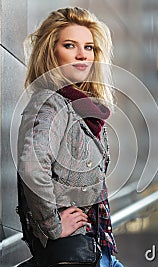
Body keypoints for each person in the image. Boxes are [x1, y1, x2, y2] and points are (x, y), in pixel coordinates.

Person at [17, 7, 123, 267]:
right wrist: (52, 225)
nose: (82, 55)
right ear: (51, 52)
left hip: (93, 247)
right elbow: (32, 166)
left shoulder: (81, 108)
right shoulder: (51, 103)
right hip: (72, 251)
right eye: (70, 45)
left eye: (89, 47)